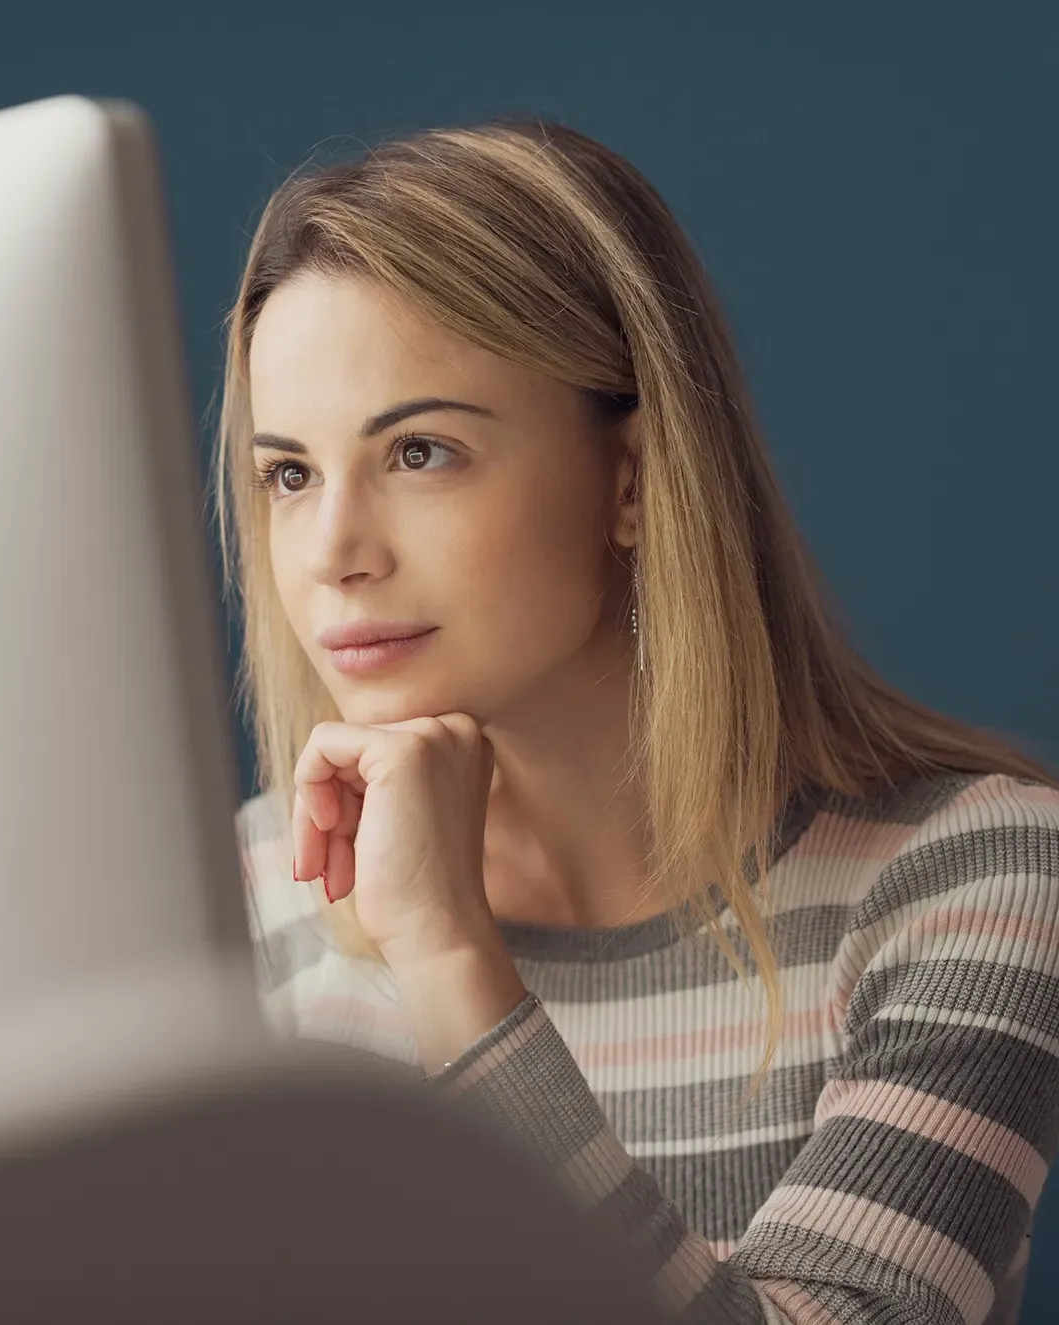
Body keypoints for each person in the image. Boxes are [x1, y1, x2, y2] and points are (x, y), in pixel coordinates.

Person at [218, 116, 1059, 1325]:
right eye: (289, 474)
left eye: (420, 451)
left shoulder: (972, 876)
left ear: (632, 479)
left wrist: (453, 959)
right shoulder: (243, 899)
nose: (333, 553)